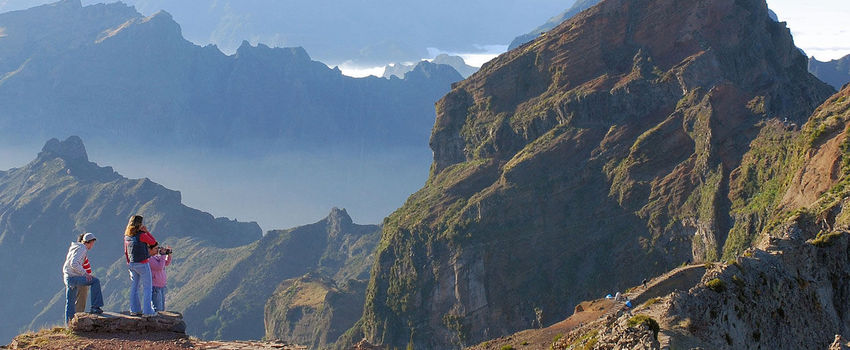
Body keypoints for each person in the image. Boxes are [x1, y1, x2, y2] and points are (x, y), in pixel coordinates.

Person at [62, 232, 104, 323]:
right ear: (89, 242)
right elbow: (74, 263)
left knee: (70, 303)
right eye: (93, 242)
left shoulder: (75, 247)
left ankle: (68, 325)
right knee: (95, 281)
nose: (93, 245)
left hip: (68, 277)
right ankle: (95, 307)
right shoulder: (82, 249)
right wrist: (85, 274)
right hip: (74, 277)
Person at [124, 215, 158, 316]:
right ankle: (147, 311)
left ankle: (134, 310)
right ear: (139, 224)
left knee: (134, 287)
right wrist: (146, 231)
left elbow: (126, 251)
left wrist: (129, 263)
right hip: (143, 264)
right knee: (147, 288)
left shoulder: (127, 236)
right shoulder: (141, 235)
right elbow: (154, 243)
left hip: (132, 264)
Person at [149, 245, 172, 312]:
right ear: (150, 249)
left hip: (161, 286)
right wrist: (163, 255)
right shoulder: (149, 259)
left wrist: (169, 255)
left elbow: (166, 263)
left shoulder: (156, 257)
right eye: (156, 248)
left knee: (162, 308)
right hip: (155, 286)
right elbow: (160, 267)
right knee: (158, 308)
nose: (157, 250)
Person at [74, 234, 93, 313]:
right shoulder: (81, 252)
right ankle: (78, 317)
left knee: (80, 300)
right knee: (80, 301)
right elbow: (75, 264)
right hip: (83, 280)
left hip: (84, 279)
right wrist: (85, 274)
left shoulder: (80, 252)